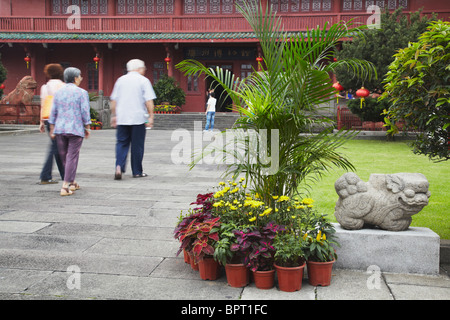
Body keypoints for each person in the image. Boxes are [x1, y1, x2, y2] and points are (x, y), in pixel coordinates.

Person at [110, 59, 156, 180]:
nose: (145, 70)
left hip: (122, 118)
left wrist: (114, 115)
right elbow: (149, 101)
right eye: (144, 68)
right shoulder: (143, 81)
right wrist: (151, 116)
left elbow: (114, 100)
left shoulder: (120, 80)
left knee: (121, 143)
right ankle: (137, 171)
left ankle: (119, 166)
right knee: (137, 145)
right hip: (138, 118)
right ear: (140, 69)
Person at [49, 67, 91, 196]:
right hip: (75, 128)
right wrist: (87, 127)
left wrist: (52, 128)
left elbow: (53, 111)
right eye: (80, 76)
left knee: (65, 156)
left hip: (60, 128)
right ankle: (65, 186)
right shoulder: (82, 92)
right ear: (75, 78)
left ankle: (72, 182)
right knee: (72, 156)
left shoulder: (58, 92)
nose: (81, 78)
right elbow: (85, 111)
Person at [38, 64, 65, 184]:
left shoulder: (45, 87)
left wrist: (41, 122)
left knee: (57, 147)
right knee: (55, 147)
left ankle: (65, 174)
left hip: (48, 118)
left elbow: (43, 105)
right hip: (60, 118)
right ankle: (45, 175)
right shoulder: (63, 86)